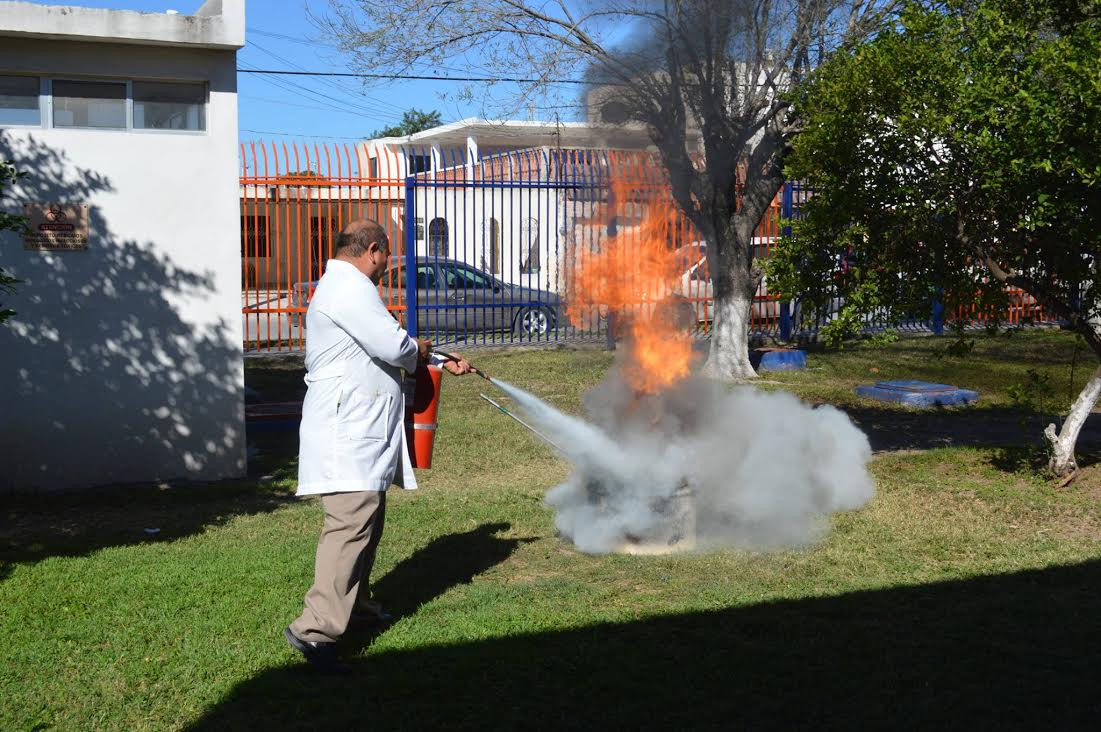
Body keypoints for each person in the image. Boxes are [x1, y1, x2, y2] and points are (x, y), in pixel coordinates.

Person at [284, 218, 472, 674]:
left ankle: (356, 607)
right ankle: (315, 630)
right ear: (372, 249)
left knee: (366, 521)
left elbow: (390, 342)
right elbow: (393, 346)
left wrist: (425, 350)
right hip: (346, 430)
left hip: (358, 428)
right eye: (387, 255)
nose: (388, 265)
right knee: (349, 527)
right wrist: (421, 351)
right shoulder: (348, 287)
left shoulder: (346, 286)